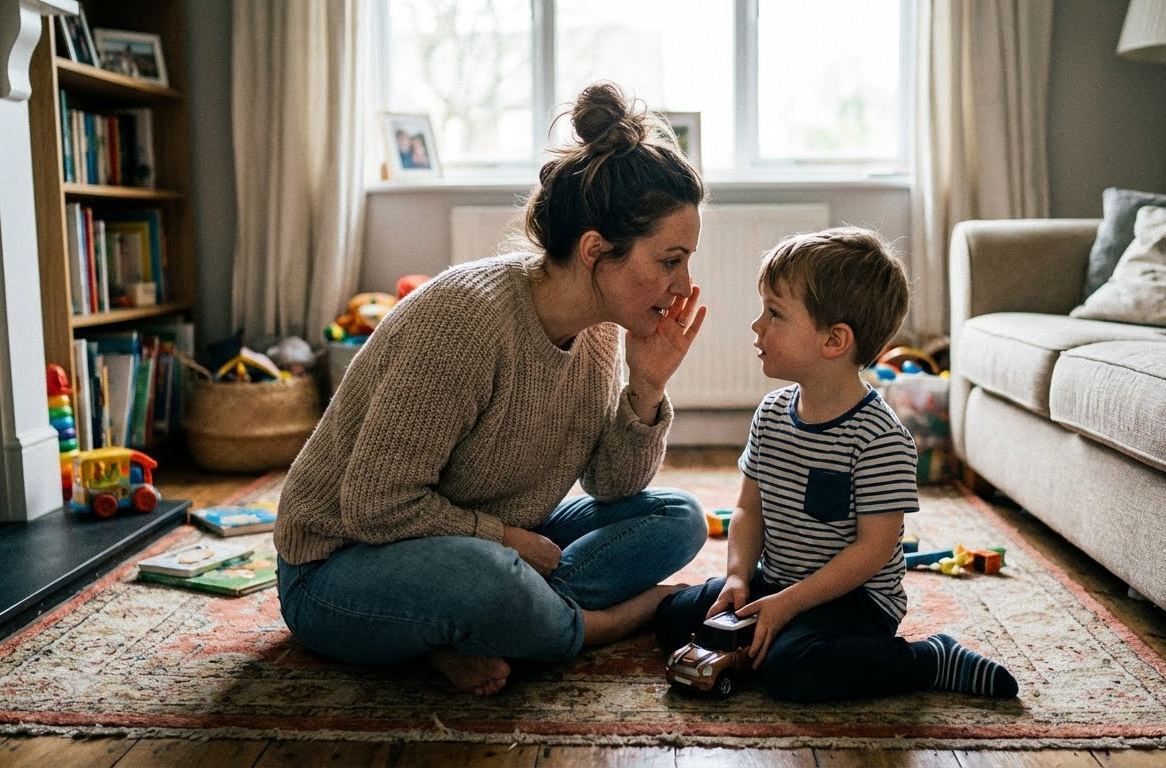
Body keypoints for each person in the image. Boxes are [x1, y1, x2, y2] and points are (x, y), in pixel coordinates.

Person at [275, 81, 709, 697]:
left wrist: (646, 386)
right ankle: (592, 624)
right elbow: (374, 504)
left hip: (492, 538)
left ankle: (482, 627)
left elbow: (611, 488)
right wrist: (506, 541)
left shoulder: (600, 334)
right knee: (489, 576)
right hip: (338, 566)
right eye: (670, 260)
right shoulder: (466, 322)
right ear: (595, 252)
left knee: (678, 518)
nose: (683, 283)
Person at [654, 227, 1019, 702]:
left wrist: (788, 605)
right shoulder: (771, 413)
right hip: (778, 581)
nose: (757, 326)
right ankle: (760, 638)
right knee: (672, 620)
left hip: (854, 600)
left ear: (834, 340)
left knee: (794, 671)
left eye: (775, 313)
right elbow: (748, 511)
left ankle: (927, 659)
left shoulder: (880, 437)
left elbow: (872, 551)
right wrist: (741, 577)